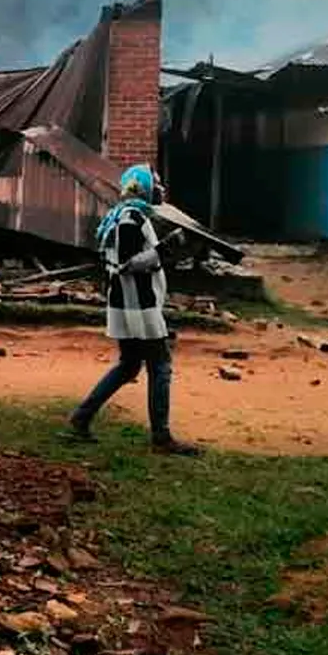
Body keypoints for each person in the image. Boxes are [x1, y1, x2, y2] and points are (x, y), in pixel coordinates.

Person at [65, 164, 201, 456]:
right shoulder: (132, 218)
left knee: (128, 366)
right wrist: (165, 249)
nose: (161, 188)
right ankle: (161, 439)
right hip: (139, 305)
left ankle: (81, 418)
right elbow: (128, 262)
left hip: (125, 303)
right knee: (160, 366)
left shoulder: (125, 215)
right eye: (156, 183)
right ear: (143, 188)